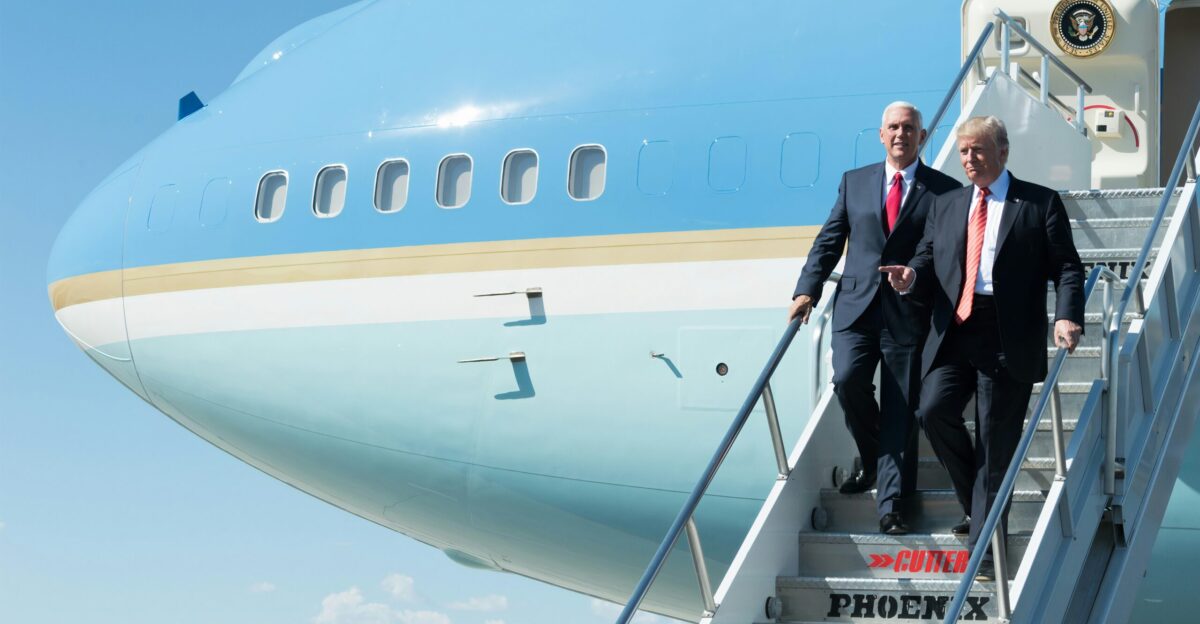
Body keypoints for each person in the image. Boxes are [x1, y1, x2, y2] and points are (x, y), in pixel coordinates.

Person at [880, 116, 1084, 579]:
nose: (969, 159)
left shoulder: (1038, 203)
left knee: (995, 444)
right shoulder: (948, 203)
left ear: (1002, 151)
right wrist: (912, 275)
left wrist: (1067, 315)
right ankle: (979, 502)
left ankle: (985, 552)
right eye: (964, 152)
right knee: (932, 411)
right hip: (954, 329)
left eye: (978, 150)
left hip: (1006, 334)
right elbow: (929, 255)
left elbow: (1068, 267)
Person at [789, 102, 961, 535]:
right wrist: (806, 288)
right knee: (847, 381)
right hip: (856, 307)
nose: (901, 134)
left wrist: (914, 274)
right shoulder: (855, 182)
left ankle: (891, 506)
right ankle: (872, 460)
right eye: (893, 128)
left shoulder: (945, 190)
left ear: (923, 137)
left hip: (908, 311)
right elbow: (829, 239)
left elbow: (940, 248)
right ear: (881, 135)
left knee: (901, 410)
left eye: (909, 128)